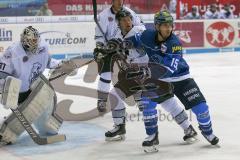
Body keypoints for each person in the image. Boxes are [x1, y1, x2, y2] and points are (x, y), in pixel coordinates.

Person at [94, 9, 197, 153]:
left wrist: (117, 46)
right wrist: (102, 51)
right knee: (114, 95)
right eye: (123, 20)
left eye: (129, 19)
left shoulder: (140, 30)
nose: (127, 22)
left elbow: (132, 42)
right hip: (133, 74)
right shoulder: (118, 34)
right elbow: (115, 46)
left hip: (152, 73)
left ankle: (188, 128)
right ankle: (120, 128)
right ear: (118, 23)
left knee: (166, 101)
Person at [126, 10, 219, 146]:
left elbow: (169, 69)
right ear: (157, 26)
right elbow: (133, 41)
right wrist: (117, 46)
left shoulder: (174, 43)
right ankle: (152, 135)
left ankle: (207, 132)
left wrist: (146, 72)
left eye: (170, 25)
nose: (168, 28)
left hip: (181, 79)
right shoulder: (147, 35)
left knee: (202, 109)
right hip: (159, 80)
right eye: (165, 25)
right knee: (147, 104)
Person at [0, 26, 75, 145]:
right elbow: (2, 74)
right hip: (16, 91)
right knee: (21, 117)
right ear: (24, 41)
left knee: (49, 128)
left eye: (36, 40)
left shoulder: (42, 47)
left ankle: (42, 124)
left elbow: (49, 62)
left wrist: (61, 65)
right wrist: (4, 89)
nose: (35, 43)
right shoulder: (12, 52)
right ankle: (7, 131)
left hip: (33, 85)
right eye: (32, 41)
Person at [94, 0, 145, 113]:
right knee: (105, 71)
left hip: (126, 46)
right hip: (109, 48)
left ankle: (139, 98)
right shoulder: (103, 16)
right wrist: (101, 48)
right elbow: (99, 37)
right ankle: (102, 99)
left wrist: (131, 39)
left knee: (133, 70)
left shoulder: (129, 13)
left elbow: (141, 27)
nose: (120, 2)